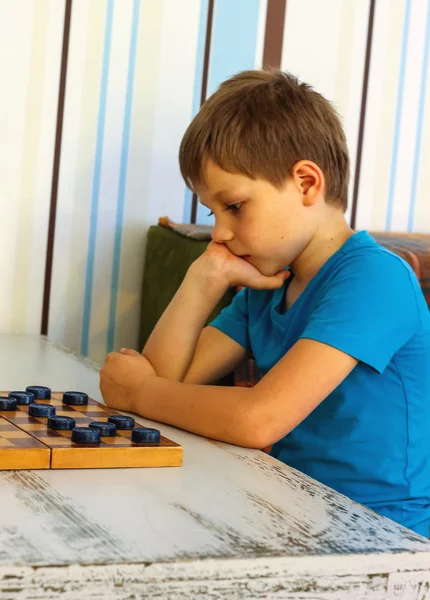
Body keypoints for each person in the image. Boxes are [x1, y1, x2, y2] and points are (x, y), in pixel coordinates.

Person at [100, 70, 430, 537]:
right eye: (213, 214)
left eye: (233, 206)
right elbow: (168, 380)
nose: (220, 233)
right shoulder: (271, 283)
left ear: (306, 183)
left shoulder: (375, 278)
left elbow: (260, 419)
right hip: (294, 512)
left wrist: (138, 392)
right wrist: (205, 276)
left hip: (386, 534)